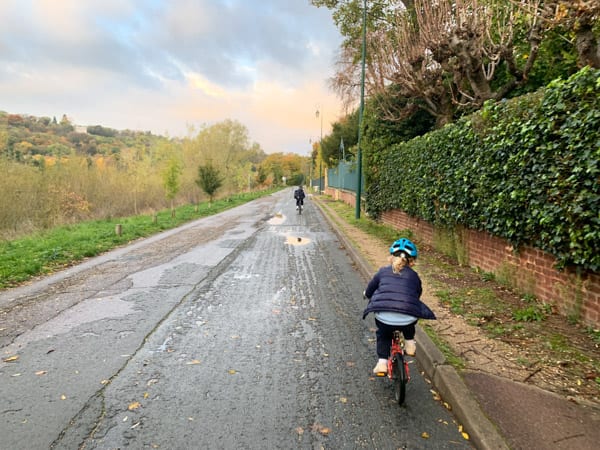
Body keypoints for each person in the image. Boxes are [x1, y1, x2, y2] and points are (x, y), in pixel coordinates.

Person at [363, 238, 436, 374]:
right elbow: (417, 293)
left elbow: (370, 289)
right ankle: (409, 343)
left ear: (391, 257)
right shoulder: (414, 276)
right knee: (409, 324)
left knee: (383, 334)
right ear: (412, 262)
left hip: (384, 317)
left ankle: (382, 363)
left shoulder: (382, 272)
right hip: (407, 316)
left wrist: (366, 294)